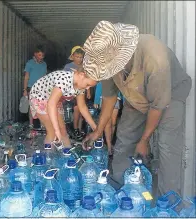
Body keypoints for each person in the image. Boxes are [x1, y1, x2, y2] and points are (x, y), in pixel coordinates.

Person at [82, 21, 192, 196]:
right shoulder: (106, 61)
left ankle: (168, 204)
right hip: (136, 96)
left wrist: (144, 140)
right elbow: (109, 98)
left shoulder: (155, 57)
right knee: (125, 139)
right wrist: (98, 130)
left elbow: (158, 105)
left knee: (166, 146)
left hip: (169, 96)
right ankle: (118, 191)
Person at [29, 67, 97, 148]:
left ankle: (67, 155)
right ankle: (49, 157)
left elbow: (82, 106)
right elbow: (51, 104)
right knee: (53, 132)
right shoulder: (64, 80)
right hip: (40, 97)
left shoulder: (80, 85)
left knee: (63, 131)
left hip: (54, 99)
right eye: (88, 85)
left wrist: (95, 128)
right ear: (82, 75)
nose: (87, 88)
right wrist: (56, 129)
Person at [63, 46, 91, 141]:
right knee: (74, 111)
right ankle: (74, 129)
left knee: (79, 111)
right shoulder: (68, 67)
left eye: (81, 57)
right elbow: (64, 80)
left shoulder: (84, 67)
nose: (79, 59)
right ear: (73, 56)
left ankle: (78, 129)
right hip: (70, 92)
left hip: (81, 92)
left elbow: (87, 81)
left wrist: (88, 91)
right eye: (77, 56)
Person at [94, 82, 122, 156]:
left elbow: (123, 86)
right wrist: (96, 100)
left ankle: (109, 141)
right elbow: (100, 84)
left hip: (117, 98)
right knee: (107, 123)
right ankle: (109, 146)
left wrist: (125, 101)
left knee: (113, 123)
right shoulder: (106, 72)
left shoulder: (118, 73)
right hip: (104, 98)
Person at [23, 45, 47, 125]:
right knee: (32, 106)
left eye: (43, 55)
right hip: (31, 88)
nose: (41, 57)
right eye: (40, 55)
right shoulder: (30, 63)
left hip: (42, 89)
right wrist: (25, 90)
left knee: (42, 106)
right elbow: (26, 77)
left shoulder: (44, 64)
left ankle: (42, 124)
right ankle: (31, 124)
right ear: (35, 54)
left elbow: (44, 77)